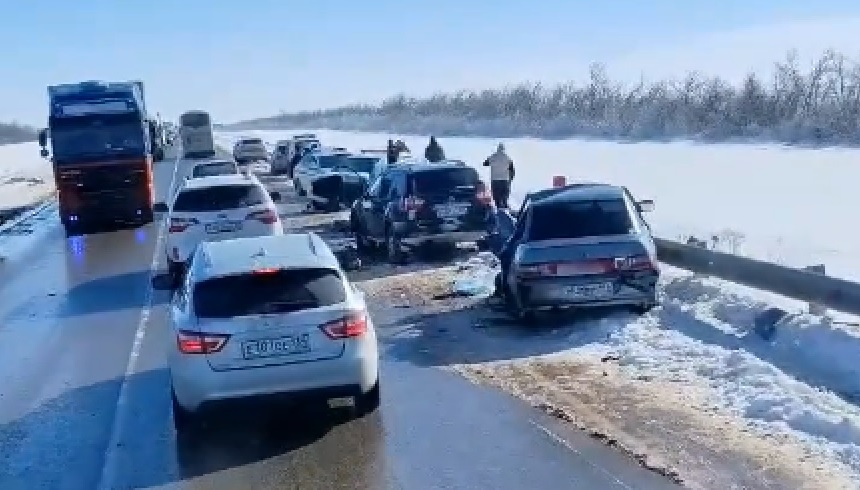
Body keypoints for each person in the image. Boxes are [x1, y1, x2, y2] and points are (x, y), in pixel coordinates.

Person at [482, 142, 515, 208]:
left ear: (497, 149)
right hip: (505, 181)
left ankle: (499, 211)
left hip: (495, 181)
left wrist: (491, 161)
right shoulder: (508, 158)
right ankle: (506, 211)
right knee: (504, 199)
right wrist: (510, 180)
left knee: (497, 199)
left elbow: (485, 163)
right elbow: (512, 171)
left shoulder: (493, 157)